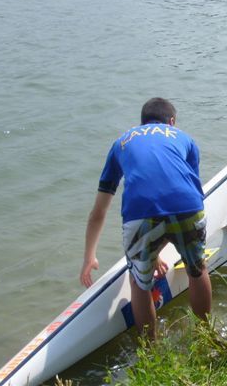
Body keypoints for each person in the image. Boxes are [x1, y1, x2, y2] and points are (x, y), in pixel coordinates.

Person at [80, 97, 211, 339]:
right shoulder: (184, 138)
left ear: (141, 124)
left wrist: (89, 256)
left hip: (140, 214)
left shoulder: (121, 143)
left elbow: (99, 211)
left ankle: (151, 355)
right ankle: (205, 337)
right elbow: (180, 188)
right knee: (198, 270)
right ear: (171, 122)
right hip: (188, 206)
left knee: (139, 284)